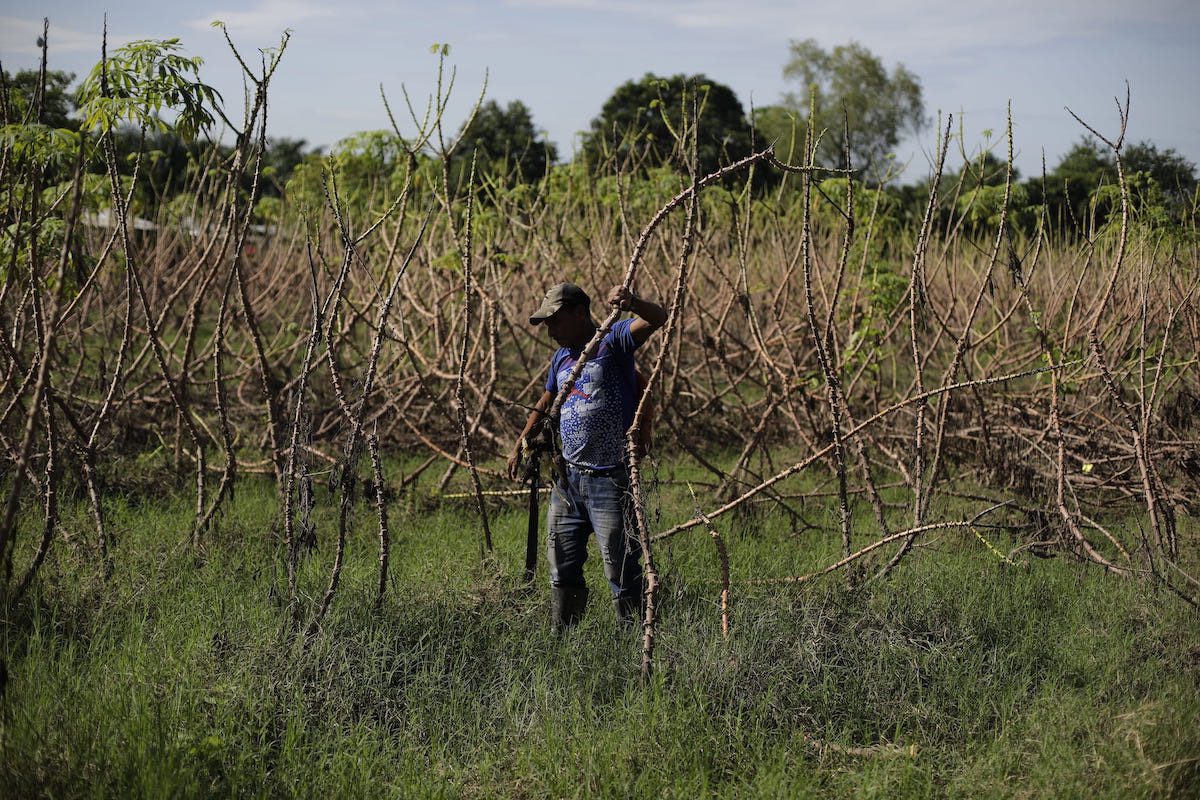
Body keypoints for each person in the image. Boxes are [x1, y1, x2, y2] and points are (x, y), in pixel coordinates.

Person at [507, 282, 667, 633]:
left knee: (620, 565)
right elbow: (547, 397)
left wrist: (632, 302)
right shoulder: (561, 358)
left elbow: (658, 318)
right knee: (561, 565)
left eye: (555, 321)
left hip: (611, 479)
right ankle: (564, 639)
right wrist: (524, 438)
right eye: (547, 324)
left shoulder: (614, 340)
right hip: (568, 481)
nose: (551, 331)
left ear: (580, 313)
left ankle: (636, 638)